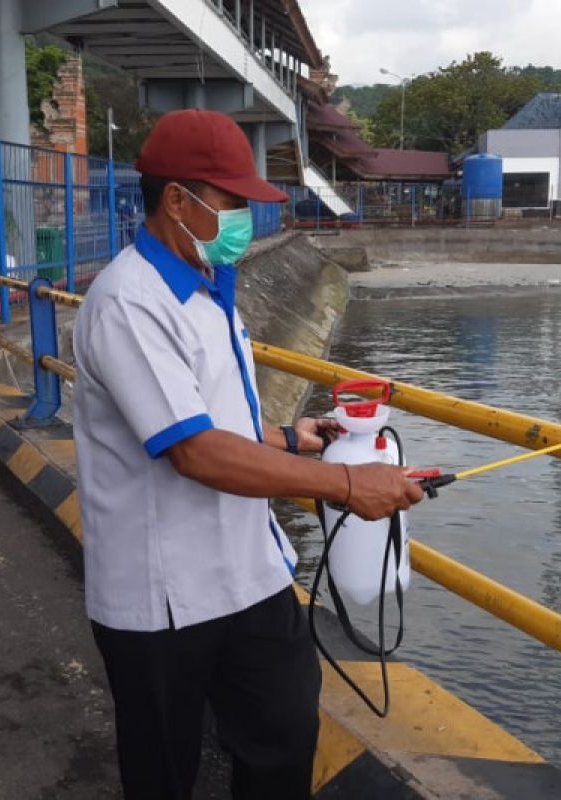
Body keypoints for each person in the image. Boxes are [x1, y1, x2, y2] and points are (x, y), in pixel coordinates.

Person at [72, 109, 423, 800]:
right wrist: (347, 486)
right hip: (162, 596)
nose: (245, 222)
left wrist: (294, 438)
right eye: (232, 204)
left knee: (284, 741)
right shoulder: (130, 303)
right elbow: (197, 451)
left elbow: (218, 418)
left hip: (249, 575)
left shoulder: (208, 291)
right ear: (178, 199)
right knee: (163, 773)